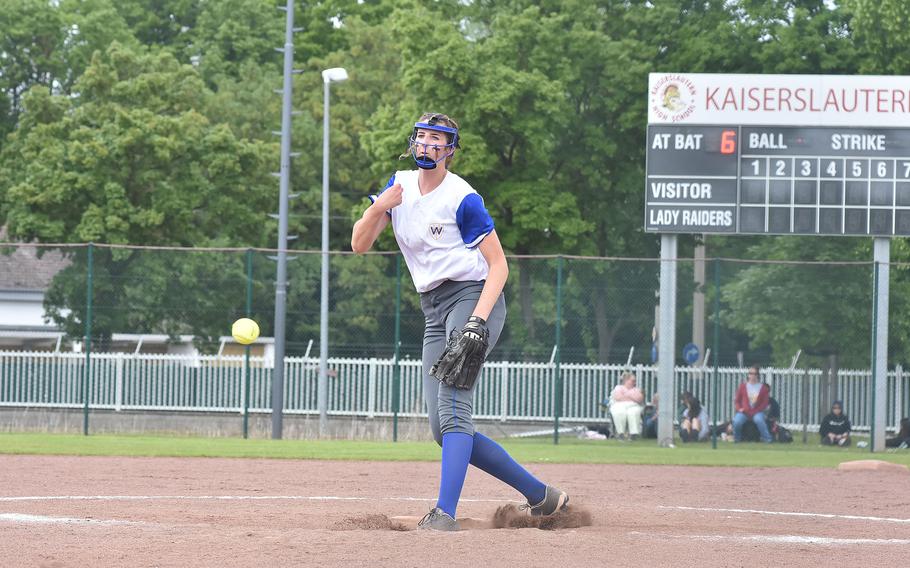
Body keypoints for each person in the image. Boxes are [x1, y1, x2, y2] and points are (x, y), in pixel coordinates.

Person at [351, 112, 568, 531]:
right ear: (412, 142)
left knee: (453, 410)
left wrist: (476, 322)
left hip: (472, 297)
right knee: (443, 427)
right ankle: (543, 497)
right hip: (433, 308)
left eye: (439, 139)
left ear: (450, 149)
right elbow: (359, 245)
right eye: (423, 137)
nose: (428, 144)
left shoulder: (462, 197)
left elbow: (499, 266)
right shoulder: (398, 186)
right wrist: (379, 207)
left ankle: (444, 515)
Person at [732, 365, 773, 443]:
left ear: (757, 375)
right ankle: (737, 438)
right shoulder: (743, 386)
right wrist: (739, 409)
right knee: (737, 421)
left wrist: (757, 411)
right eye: (750, 373)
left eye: (754, 374)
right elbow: (737, 401)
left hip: (757, 412)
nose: (752, 375)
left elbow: (765, 403)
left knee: (759, 420)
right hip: (744, 412)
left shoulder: (763, 388)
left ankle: (767, 439)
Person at [608, 372, 645, 440]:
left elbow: (639, 399)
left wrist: (626, 395)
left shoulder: (637, 389)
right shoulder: (618, 388)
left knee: (633, 413)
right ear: (626, 380)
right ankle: (620, 433)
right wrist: (632, 397)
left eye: (635, 381)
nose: (634, 383)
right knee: (619, 412)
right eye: (633, 381)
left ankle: (633, 434)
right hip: (619, 405)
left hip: (634, 406)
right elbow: (618, 397)